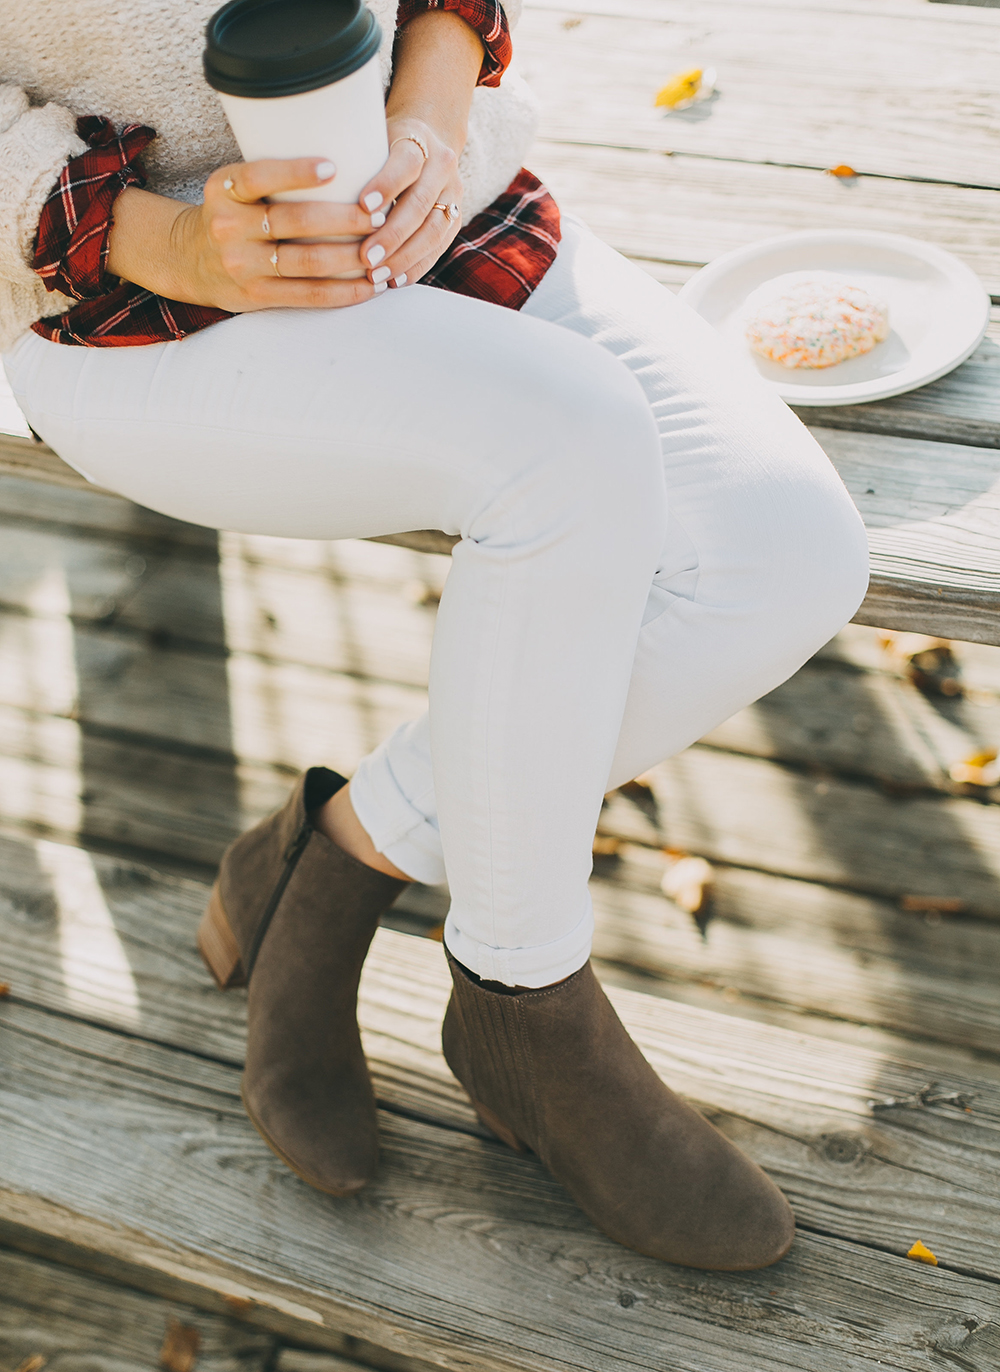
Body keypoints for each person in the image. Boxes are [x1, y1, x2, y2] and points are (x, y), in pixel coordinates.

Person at [0, 0, 869, 1273]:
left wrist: (428, 121)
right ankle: (524, 1004)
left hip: (440, 205)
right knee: (566, 441)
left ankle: (339, 847)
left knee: (788, 554)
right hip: (122, 298)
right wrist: (172, 238)